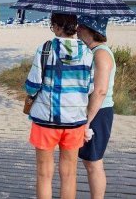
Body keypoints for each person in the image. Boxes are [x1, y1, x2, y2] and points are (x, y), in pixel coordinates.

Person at [24, 13, 94, 199]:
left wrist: (31, 91)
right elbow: (90, 87)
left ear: (56, 27)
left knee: (44, 174)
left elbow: (32, 86)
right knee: (69, 174)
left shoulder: (46, 49)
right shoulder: (87, 52)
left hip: (46, 121)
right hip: (74, 121)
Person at [76, 15, 115, 199]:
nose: (77, 29)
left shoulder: (101, 54)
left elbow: (100, 91)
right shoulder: (92, 52)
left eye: (81, 26)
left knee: (94, 162)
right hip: (92, 109)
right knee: (88, 161)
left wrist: (87, 121)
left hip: (98, 112)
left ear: (91, 30)